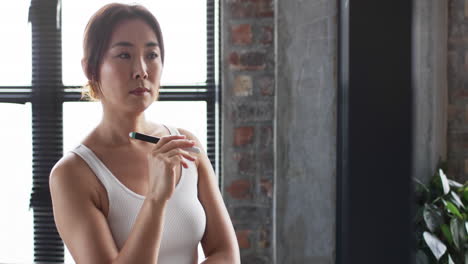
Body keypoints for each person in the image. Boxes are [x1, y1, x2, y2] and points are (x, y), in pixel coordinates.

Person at [49, 3, 240, 264]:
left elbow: (226, 254)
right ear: (90, 69)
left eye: (151, 55)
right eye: (124, 55)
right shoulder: (73, 175)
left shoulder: (186, 145)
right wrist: (156, 198)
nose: (141, 70)